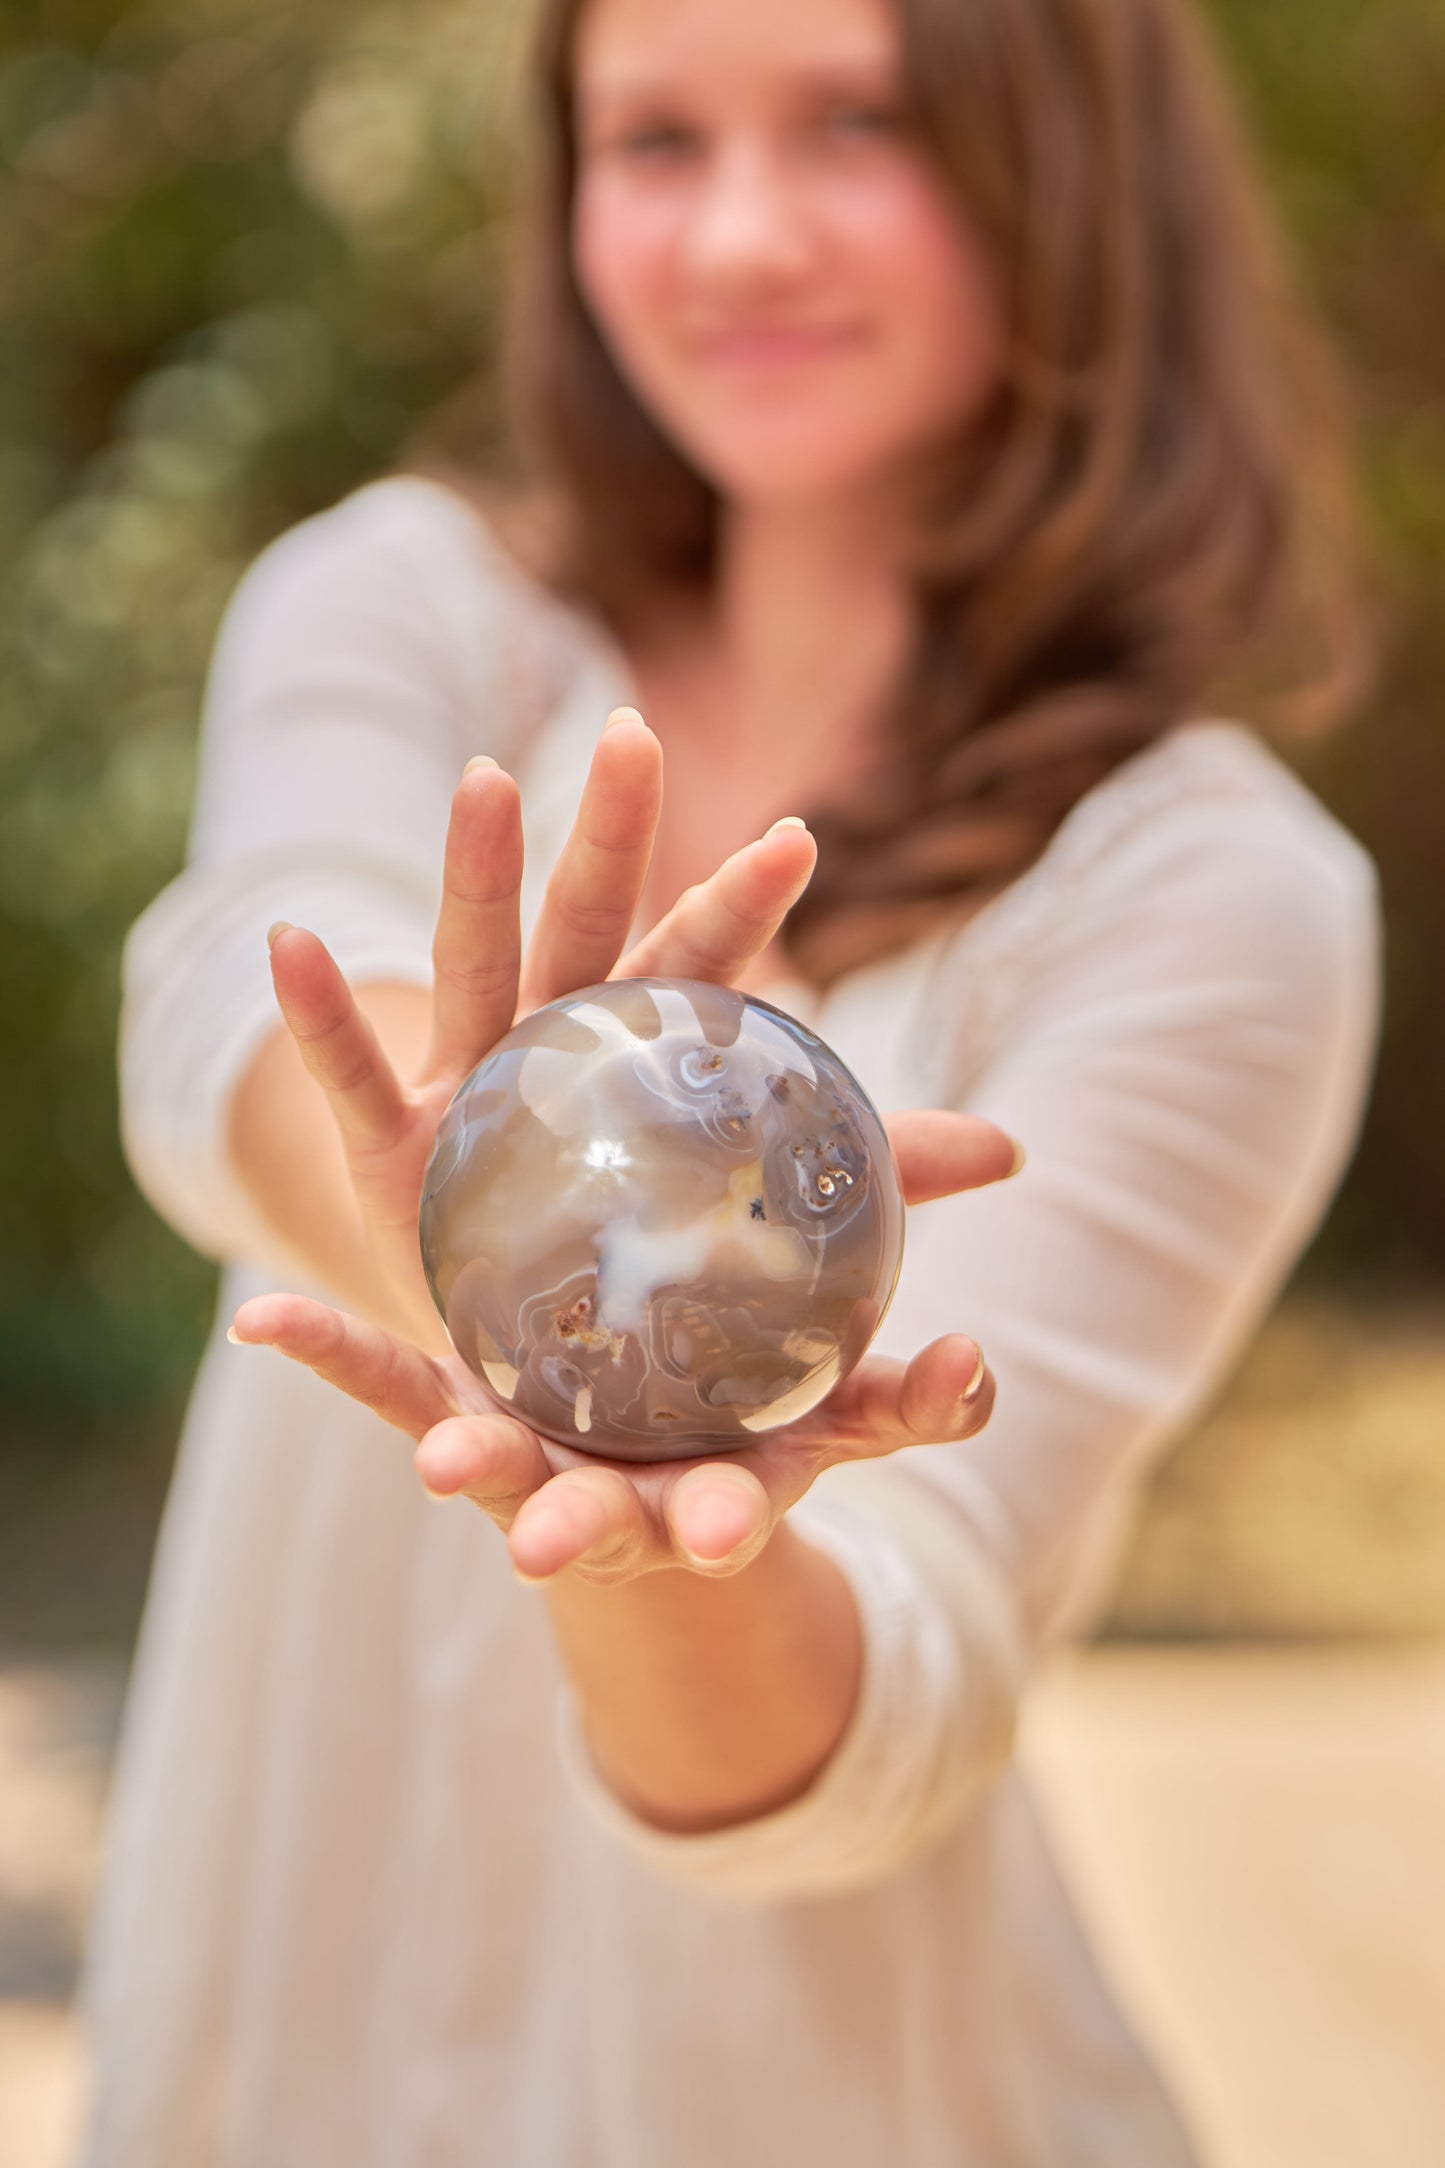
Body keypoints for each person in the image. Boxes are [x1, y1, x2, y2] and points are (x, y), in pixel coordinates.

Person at [76, 0, 1383, 2159]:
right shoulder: (406, 608)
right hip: (286, 2054)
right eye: (656, 140)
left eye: (858, 121)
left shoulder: (1214, 888)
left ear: (1063, 161)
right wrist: (450, 1199)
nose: (744, 237)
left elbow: (902, 1680)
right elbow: (226, 996)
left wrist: (650, 1553)